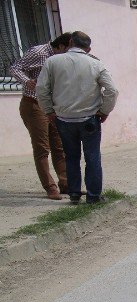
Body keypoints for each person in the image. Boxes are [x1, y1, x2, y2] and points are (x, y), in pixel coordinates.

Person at [36, 31, 118, 205]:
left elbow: (41, 89)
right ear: (88, 48)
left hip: (64, 119)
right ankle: (93, 196)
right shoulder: (96, 63)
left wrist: (49, 111)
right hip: (89, 119)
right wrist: (104, 111)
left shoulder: (52, 62)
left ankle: (74, 194)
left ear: (71, 41)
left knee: (71, 156)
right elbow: (112, 91)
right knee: (92, 157)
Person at [9, 32, 72, 200]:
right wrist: (26, 81)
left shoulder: (61, 59)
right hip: (34, 104)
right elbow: (15, 67)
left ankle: (65, 184)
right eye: (68, 51)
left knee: (59, 146)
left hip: (53, 107)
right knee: (42, 148)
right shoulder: (39, 52)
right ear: (60, 46)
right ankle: (50, 187)